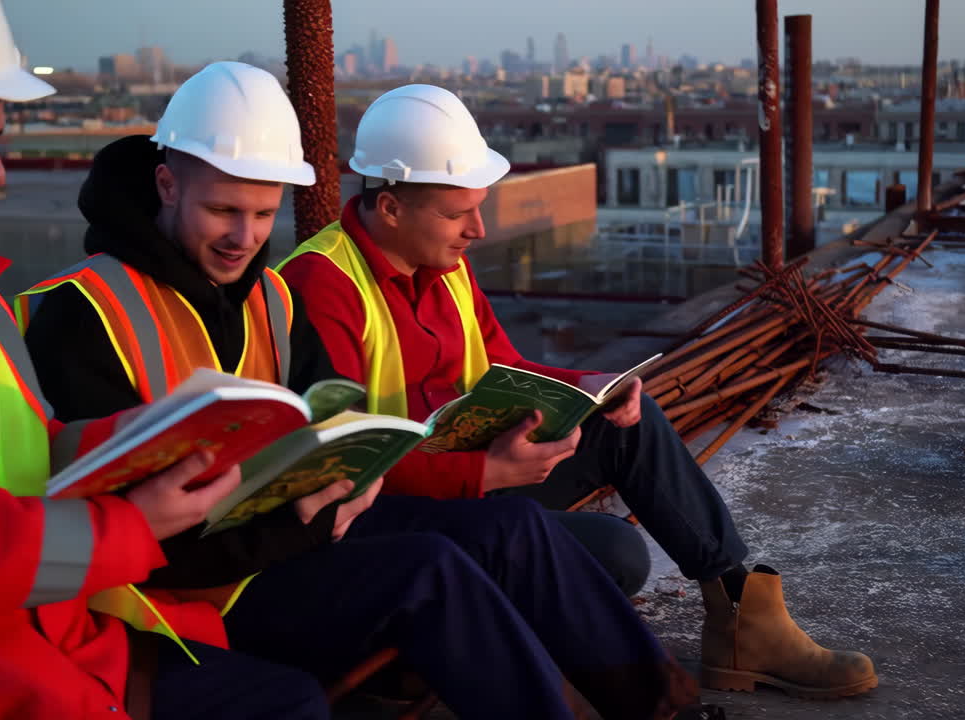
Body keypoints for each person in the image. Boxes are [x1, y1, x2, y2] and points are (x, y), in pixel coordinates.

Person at [20, 61, 721, 720]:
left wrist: (341, 481)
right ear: (167, 186)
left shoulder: (268, 298)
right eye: (223, 211)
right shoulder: (82, 315)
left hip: (299, 536)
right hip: (188, 592)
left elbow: (332, 426)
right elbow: (113, 525)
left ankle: (665, 699)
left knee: (513, 537)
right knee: (439, 570)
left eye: (263, 215)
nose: (244, 237)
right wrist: (316, 512)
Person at [279, 83, 879, 699]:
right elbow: (344, 458)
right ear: (390, 208)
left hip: (472, 474)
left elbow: (503, 368)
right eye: (458, 214)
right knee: (619, 556)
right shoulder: (321, 285)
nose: (478, 230)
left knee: (631, 423)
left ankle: (743, 618)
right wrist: (484, 475)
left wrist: (592, 388)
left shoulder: (443, 263)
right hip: (395, 510)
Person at [0, 3, 351, 719]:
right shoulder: (52, 306)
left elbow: (28, 450)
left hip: (51, 630)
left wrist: (155, 436)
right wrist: (127, 526)